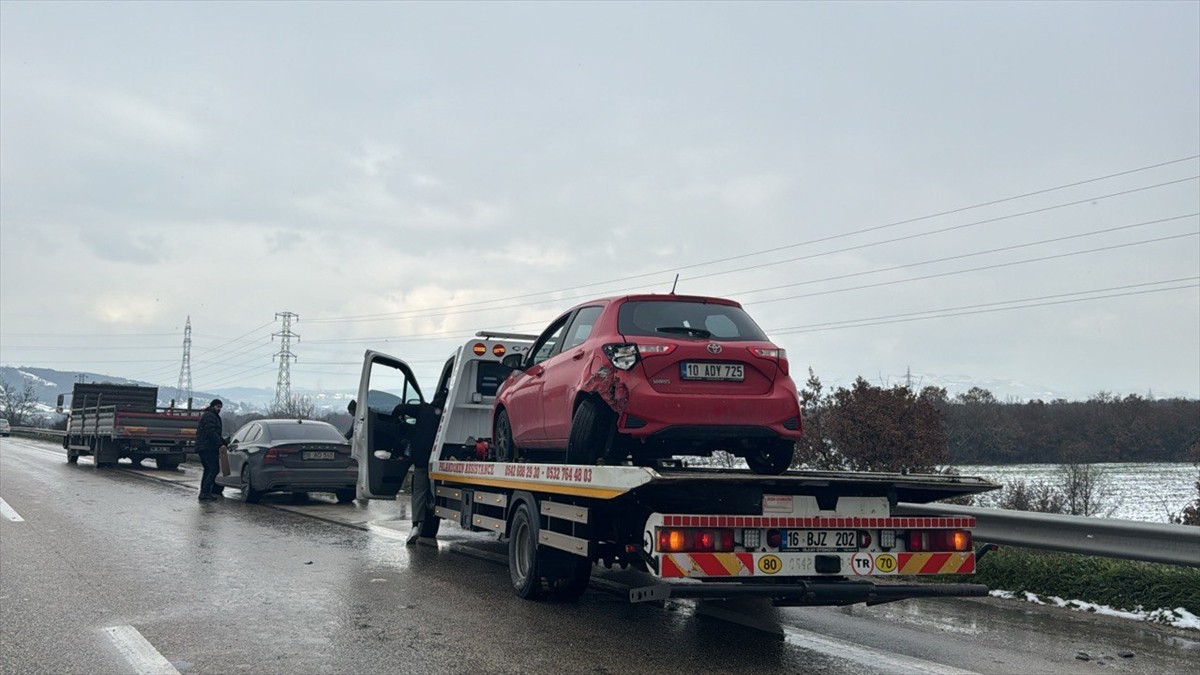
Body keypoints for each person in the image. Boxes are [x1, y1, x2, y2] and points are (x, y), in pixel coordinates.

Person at [195, 399, 227, 501]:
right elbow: (211, 432)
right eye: (218, 407)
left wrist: (222, 441)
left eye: (220, 407)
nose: (219, 409)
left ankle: (204, 492)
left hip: (204, 447)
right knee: (213, 469)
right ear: (213, 406)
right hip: (208, 447)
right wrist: (221, 442)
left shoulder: (209, 415)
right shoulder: (210, 416)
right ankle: (205, 492)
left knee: (208, 469)